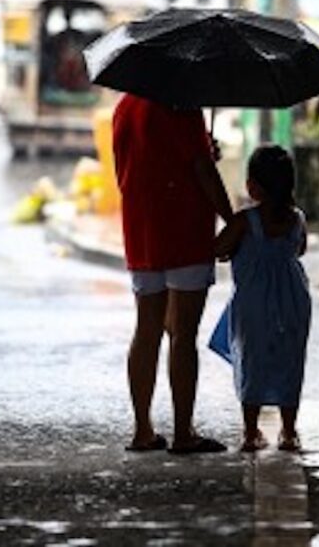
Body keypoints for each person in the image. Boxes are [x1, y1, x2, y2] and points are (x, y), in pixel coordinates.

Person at [113, 93, 234, 454]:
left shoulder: (124, 108)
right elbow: (201, 169)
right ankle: (184, 432)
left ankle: (143, 430)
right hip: (183, 229)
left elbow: (133, 165)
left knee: (146, 330)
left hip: (140, 229)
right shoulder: (181, 105)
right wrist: (232, 221)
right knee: (183, 333)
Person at [215, 145, 311, 453]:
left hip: (253, 304)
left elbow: (217, 248)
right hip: (294, 302)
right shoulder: (297, 219)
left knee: (252, 361)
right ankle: (289, 431)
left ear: (253, 186)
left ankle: (250, 431)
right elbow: (300, 250)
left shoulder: (245, 222)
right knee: (290, 361)